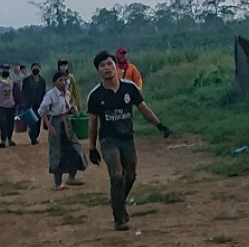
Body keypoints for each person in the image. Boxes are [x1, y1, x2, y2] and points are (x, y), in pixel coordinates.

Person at [87, 51, 171, 231]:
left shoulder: (129, 88)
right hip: (108, 140)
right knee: (117, 175)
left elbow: (143, 108)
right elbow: (93, 123)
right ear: (98, 71)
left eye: (109, 64)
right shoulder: (95, 95)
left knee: (130, 176)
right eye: (102, 66)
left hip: (127, 138)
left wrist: (159, 125)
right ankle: (119, 219)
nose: (107, 68)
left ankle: (118, 203)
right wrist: (92, 148)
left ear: (115, 66)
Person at [38, 72, 87, 190]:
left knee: (75, 148)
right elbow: (42, 111)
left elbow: (66, 107)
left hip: (66, 121)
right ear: (54, 82)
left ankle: (72, 177)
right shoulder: (50, 95)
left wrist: (72, 109)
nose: (64, 82)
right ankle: (58, 183)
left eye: (66, 80)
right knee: (57, 152)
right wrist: (49, 127)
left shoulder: (67, 93)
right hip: (56, 122)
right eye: (61, 80)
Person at [0, 65, 22, 148]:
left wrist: (18, 104)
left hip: (11, 106)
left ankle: (9, 138)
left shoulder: (13, 84)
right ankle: (3, 140)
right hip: (0, 106)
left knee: (10, 123)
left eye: (7, 69)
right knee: (3, 123)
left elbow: (17, 95)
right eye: (4, 69)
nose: (5, 71)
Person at [21, 62, 47, 145]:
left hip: (39, 104)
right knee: (32, 121)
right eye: (34, 68)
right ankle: (33, 138)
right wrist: (23, 104)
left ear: (40, 69)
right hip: (29, 104)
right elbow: (23, 92)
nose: (36, 69)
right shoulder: (26, 80)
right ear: (31, 69)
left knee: (38, 121)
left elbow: (44, 92)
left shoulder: (42, 81)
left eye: (37, 68)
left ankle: (35, 135)